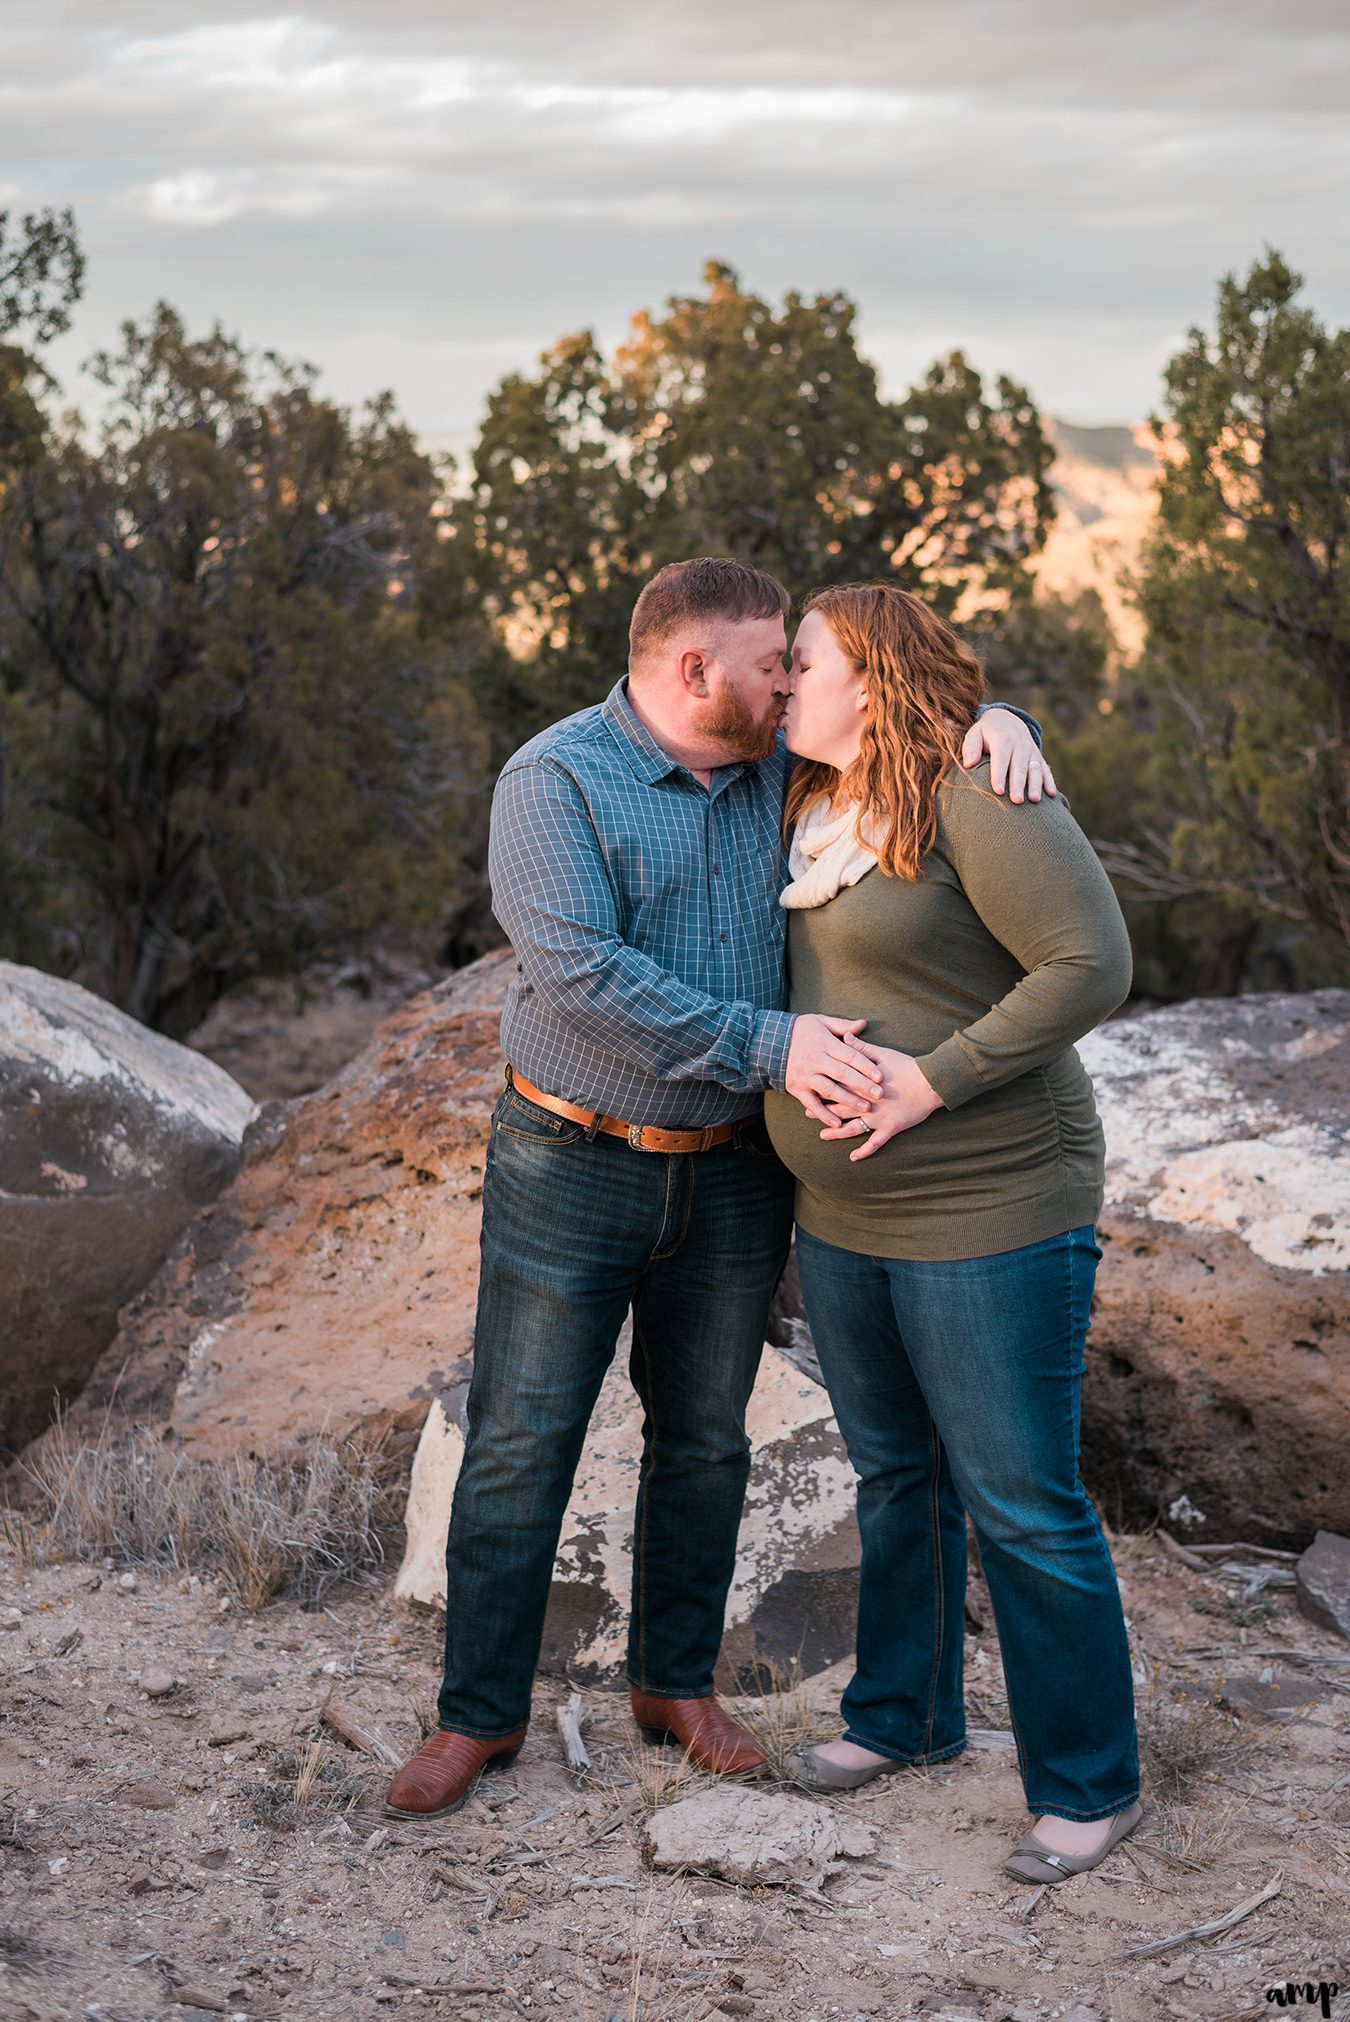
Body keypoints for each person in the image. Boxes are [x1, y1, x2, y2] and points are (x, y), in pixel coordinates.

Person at [384, 557, 1047, 1821]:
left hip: (739, 1173)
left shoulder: (785, 764)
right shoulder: (554, 780)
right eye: (771, 663)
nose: (792, 680)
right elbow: (583, 976)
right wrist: (774, 1045)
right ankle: (478, 1716)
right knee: (524, 1442)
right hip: (567, 1160)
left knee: (705, 1441)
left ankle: (673, 1686)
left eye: (798, 666)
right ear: (697, 672)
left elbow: (899, 725)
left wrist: (994, 722)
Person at [764, 582, 1142, 1884]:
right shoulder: (807, 801)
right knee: (894, 1479)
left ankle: (1090, 1783)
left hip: (988, 1207)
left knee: (1022, 1502)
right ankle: (903, 1718)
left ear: (866, 676)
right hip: (842, 1213)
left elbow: (1089, 963)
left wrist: (936, 1078)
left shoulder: (971, 793)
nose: (778, 685)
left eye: (798, 662)